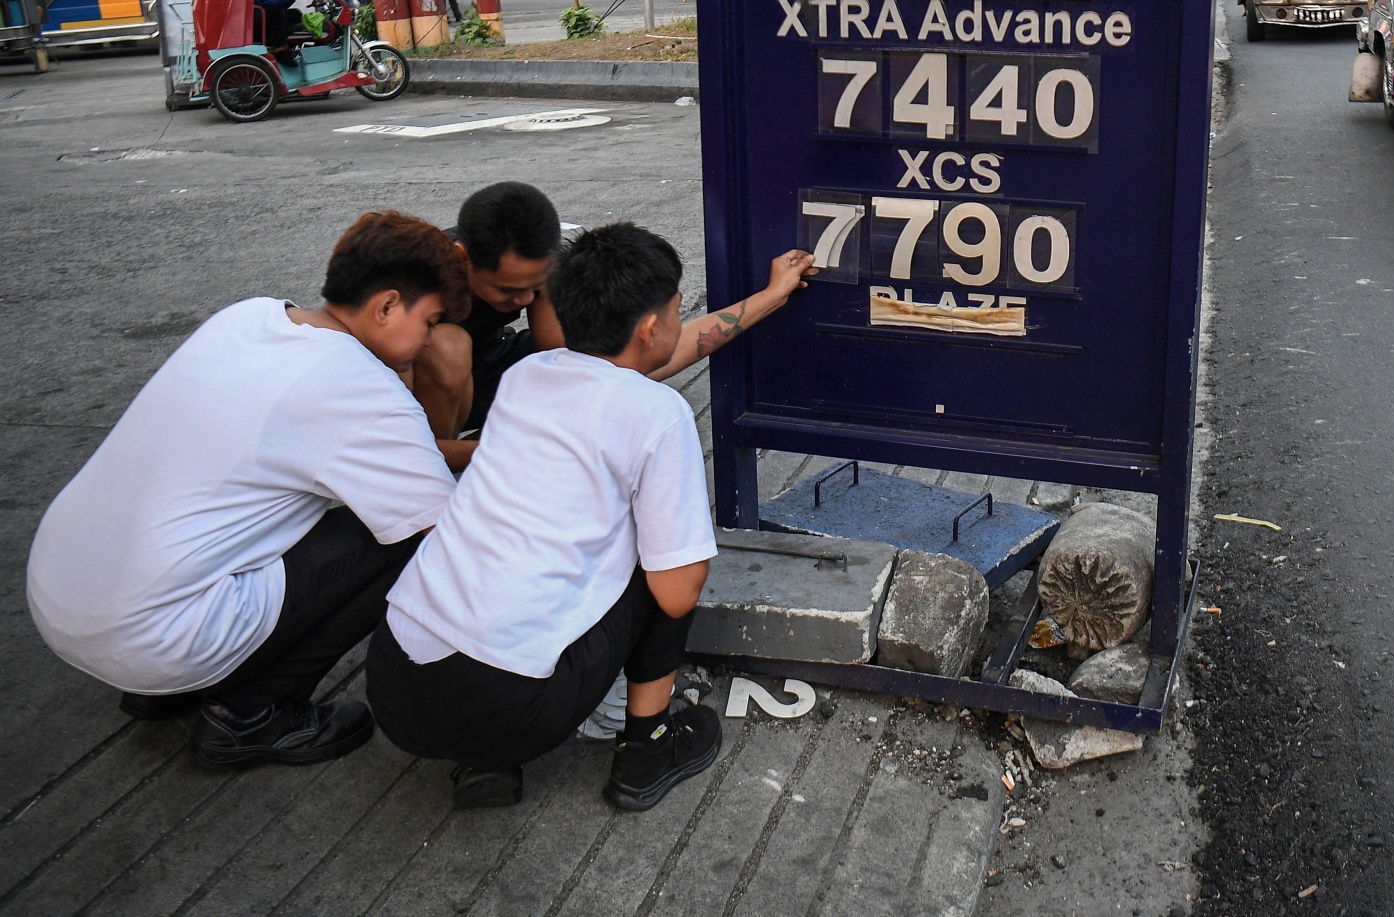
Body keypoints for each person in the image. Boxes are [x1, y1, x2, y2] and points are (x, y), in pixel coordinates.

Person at [26, 212, 468, 769]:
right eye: (429, 322)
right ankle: (253, 713)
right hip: (157, 636)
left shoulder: (245, 317)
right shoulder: (362, 388)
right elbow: (447, 532)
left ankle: (168, 689)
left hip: (59, 598)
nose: (430, 341)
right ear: (385, 305)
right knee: (407, 539)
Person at [367, 224, 720, 812]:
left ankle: (485, 761)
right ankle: (647, 747)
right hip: (507, 706)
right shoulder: (660, 412)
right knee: (673, 558)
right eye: (680, 311)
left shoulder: (524, 375)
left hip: (394, 683)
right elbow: (679, 594)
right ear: (651, 328)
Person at [409, 181, 815, 469]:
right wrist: (504, 452)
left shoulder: (540, 272)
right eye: (509, 291)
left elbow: (608, 362)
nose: (524, 301)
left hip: (489, 371)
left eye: (536, 288)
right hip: (416, 406)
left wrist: (770, 297)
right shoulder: (408, 288)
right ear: (463, 259)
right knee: (448, 344)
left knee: (607, 360)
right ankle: (440, 471)